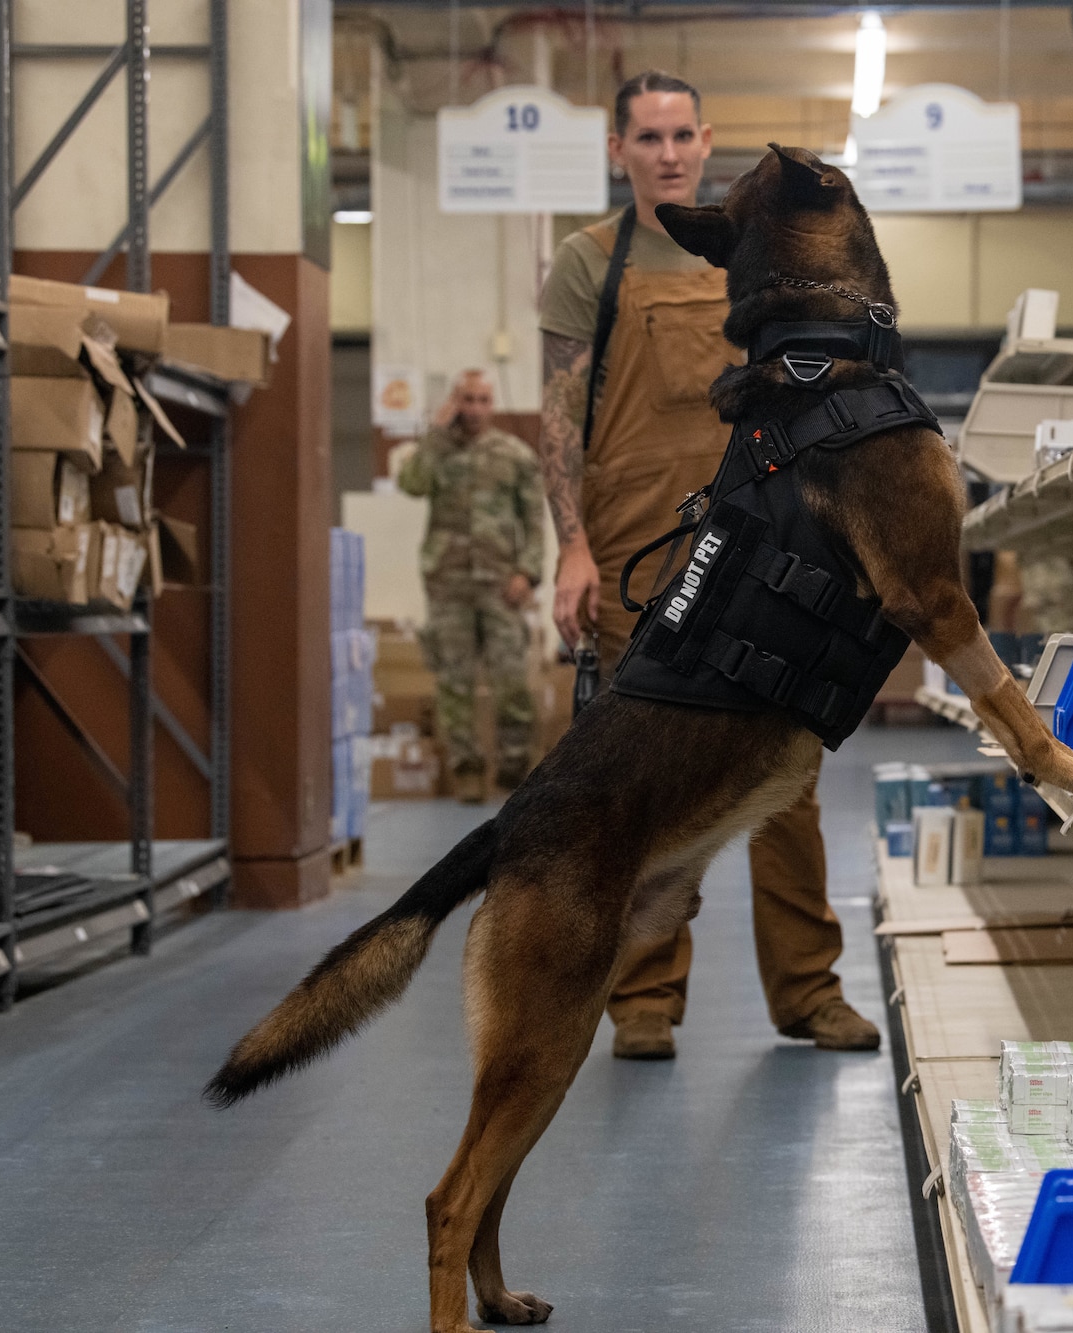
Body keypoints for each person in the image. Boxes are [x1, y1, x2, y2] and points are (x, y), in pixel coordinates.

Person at [536, 70, 880, 1061]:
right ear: (620, 151)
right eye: (648, 138)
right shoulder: (585, 263)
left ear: (706, 139)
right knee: (645, 783)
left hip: (766, 547)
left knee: (785, 776)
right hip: (636, 547)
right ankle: (641, 997)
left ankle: (808, 992)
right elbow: (559, 413)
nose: (668, 152)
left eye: (683, 135)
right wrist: (568, 544)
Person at [398, 370, 545, 804]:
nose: (475, 408)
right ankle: (467, 771)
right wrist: (434, 433)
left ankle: (514, 768)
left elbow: (535, 521)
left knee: (511, 681)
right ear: (455, 402)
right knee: (454, 682)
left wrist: (529, 572)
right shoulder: (438, 452)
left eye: (483, 400)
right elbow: (411, 484)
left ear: (492, 404)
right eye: (467, 399)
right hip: (448, 585)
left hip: (502, 584)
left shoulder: (514, 454)